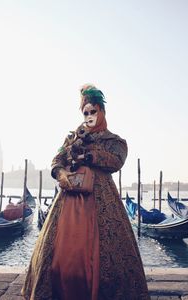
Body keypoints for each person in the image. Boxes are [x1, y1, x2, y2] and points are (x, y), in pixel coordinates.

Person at [21, 84, 150, 300]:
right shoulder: (72, 138)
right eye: (86, 112)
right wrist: (60, 173)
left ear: (101, 112)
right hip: (70, 195)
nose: (89, 116)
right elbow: (57, 159)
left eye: (93, 111)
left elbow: (116, 161)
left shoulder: (113, 141)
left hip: (101, 198)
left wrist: (90, 155)